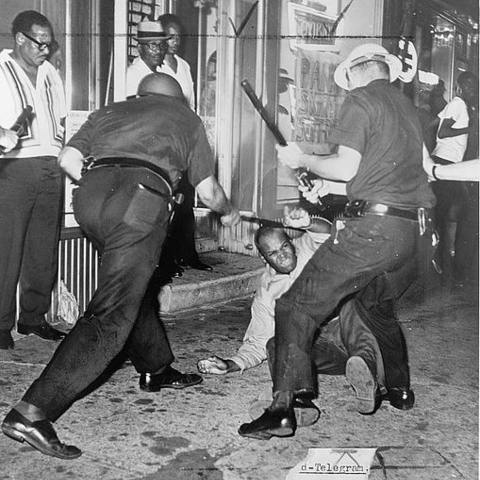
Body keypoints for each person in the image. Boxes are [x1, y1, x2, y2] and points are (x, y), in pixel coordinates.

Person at [1, 73, 240, 460]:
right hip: (140, 203)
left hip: (90, 199)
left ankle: (155, 367)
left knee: (131, 286)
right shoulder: (186, 119)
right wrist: (230, 214)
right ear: (178, 100)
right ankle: (32, 412)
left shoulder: (109, 111)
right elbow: (210, 192)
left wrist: (106, 188)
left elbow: (68, 158)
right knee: (112, 312)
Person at [238, 43, 436, 439]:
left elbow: (347, 165)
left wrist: (302, 159)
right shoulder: (408, 109)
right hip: (408, 234)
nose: (346, 87)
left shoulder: (361, 99)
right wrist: (323, 186)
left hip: (371, 232)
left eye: (347, 80)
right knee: (375, 306)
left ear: (359, 71)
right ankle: (399, 390)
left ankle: (285, 406)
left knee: (294, 304)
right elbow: (396, 174)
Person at [198, 206, 387, 426]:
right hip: (327, 349)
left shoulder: (307, 248)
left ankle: (369, 376)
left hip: (346, 330)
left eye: (285, 246)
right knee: (276, 342)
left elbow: (325, 232)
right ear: (263, 257)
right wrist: (231, 364)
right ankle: (299, 401)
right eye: (273, 253)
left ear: (291, 242)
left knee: (351, 302)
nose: (283, 255)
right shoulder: (266, 293)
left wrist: (307, 223)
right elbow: (258, 341)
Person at [0, 11, 66, 350]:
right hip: (13, 168)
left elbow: (62, 120)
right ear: (20, 39)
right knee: (6, 250)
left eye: (49, 43)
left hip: (51, 167)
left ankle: (33, 318)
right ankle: (0, 325)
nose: (45, 49)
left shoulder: (51, 73)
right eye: (39, 43)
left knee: (43, 249)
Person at [157, 13, 212, 275]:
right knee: (168, 201)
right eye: (169, 35)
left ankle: (188, 255)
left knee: (187, 200)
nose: (175, 41)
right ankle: (166, 261)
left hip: (185, 138)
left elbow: (189, 104)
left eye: (178, 36)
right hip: (166, 141)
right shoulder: (153, 68)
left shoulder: (184, 66)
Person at [430, 71, 479, 280]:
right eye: (467, 86)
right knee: (457, 211)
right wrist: (471, 128)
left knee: (444, 212)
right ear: (459, 86)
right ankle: (443, 260)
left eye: (473, 87)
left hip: (446, 162)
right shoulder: (458, 104)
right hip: (446, 163)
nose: (471, 90)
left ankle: (440, 259)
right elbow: (443, 132)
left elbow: (435, 126)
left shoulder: (456, 105)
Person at [125, 20, 170, 99]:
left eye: (162, 45)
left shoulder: (164, 70)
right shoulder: (132, 75)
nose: (158, 51)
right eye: (153, 45)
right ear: (140, 48)